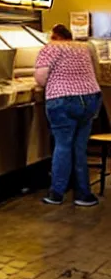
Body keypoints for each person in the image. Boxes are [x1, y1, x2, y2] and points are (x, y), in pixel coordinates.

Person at [35, 24, 102, 207]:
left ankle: (56, 193)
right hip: (90, 98)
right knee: (79, 147)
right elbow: (96, 72)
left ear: (54, 36)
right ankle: (84, 194)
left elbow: (41, 79)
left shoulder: (49, 48)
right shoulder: (84, 47)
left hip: (62, 100)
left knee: (63, 146)